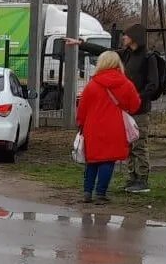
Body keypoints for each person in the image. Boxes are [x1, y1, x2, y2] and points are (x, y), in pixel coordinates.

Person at [65, 23, 159, 193]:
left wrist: (138, 98)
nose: (123, 37)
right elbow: (104, 52)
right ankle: (132, 178)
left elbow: (153, 84)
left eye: (126, 35)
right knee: (129, 145)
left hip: (139, 110)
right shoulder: (126, 54)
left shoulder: (148, 57)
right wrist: (81, 44)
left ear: (134, 37)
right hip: (126, 109)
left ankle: (142, 179)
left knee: (139, 145)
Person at [76, 51, 141, 203]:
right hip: (115, 127)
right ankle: (100, 194)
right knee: (108, 160)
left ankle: (87, 192)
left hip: (92, 127)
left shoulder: (92, 84)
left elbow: (82, 108)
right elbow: (135, 105)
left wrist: (80, 124)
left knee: (92, 160)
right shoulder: (125, 83)